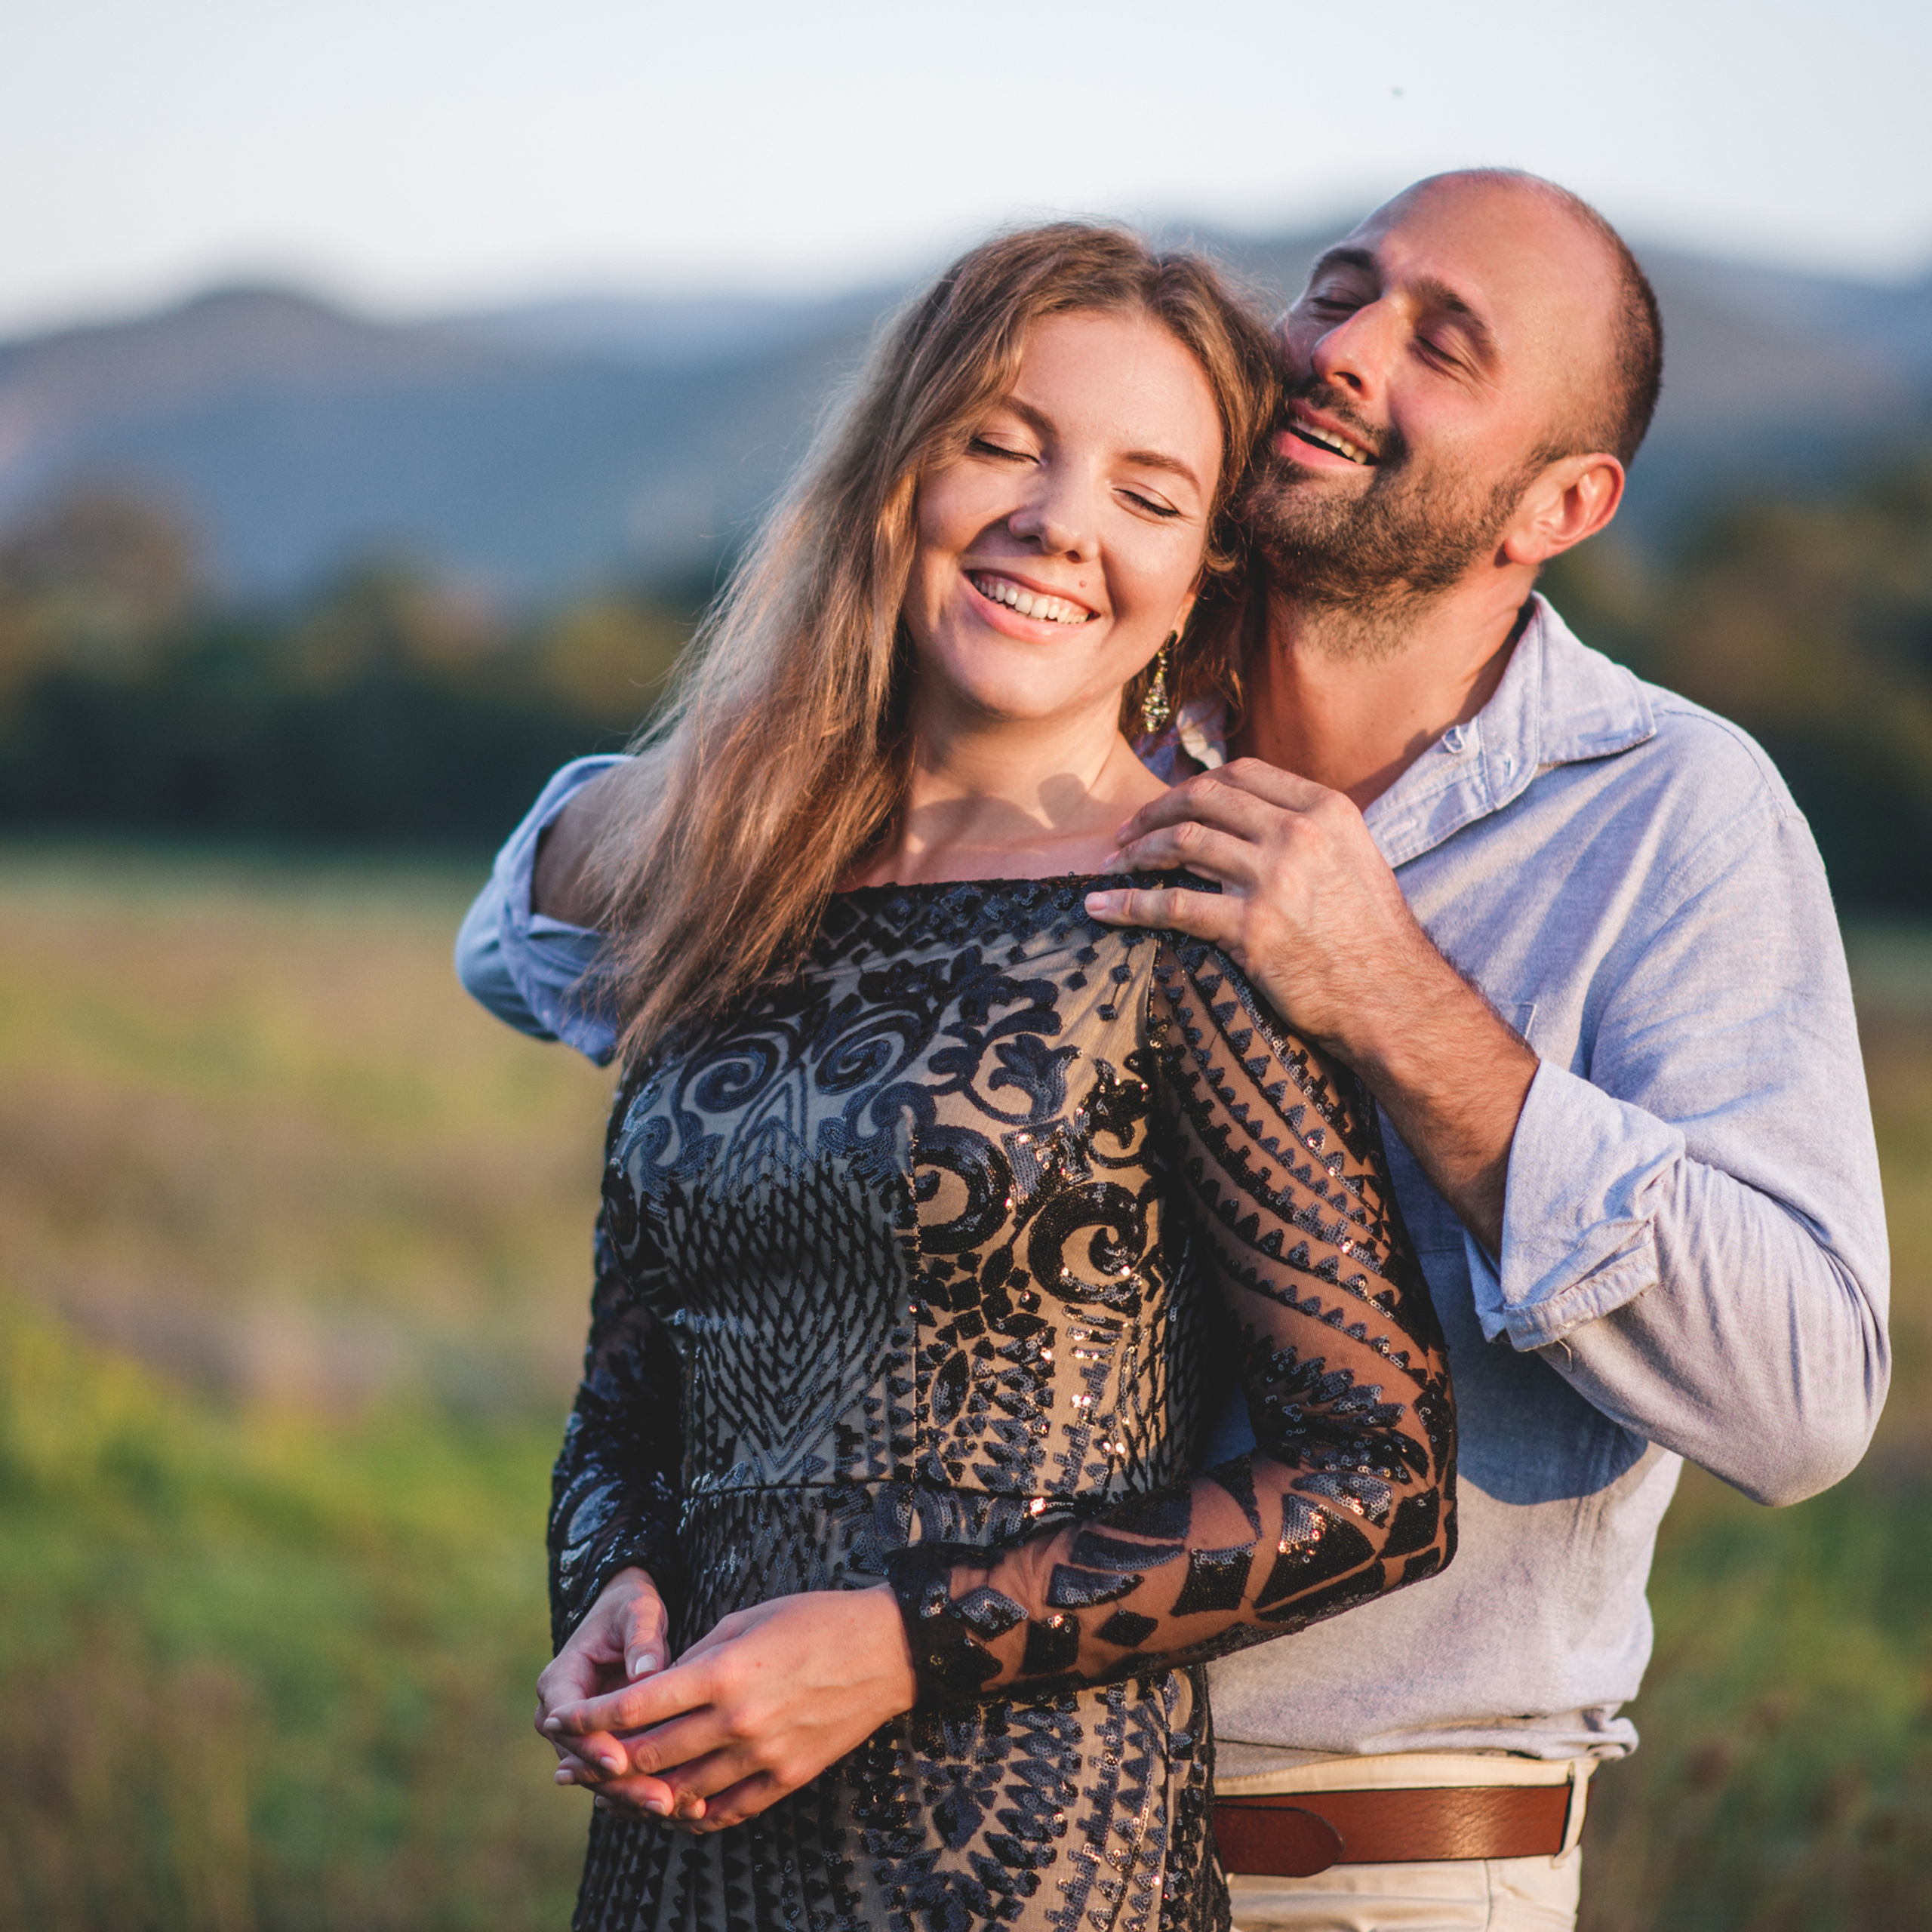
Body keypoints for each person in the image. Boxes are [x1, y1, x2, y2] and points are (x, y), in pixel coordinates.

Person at [460, 173, 1890, 1931]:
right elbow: (538, 954)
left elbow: (1802, 1398)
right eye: (1340, 289)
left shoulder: (1669, 812)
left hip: (1352, 1852)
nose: (1347, 348)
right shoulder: (1078, 698)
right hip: (805, 1799)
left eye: (1440, 341)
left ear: (1562, 500)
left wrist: (1389, 992)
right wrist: (775, 774)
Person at [485, 223, 1457, 1932]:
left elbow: (1375, 1478)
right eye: (1004, 440)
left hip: (1021, 1854)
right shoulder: (736, 878)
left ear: (1200, 575)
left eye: (1148, 494)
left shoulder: (1189, 911)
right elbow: (627, 1392)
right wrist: (605, 1582)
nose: (1057, 519)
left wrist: (891, 1643)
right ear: (897, 467)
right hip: (682, 1831)